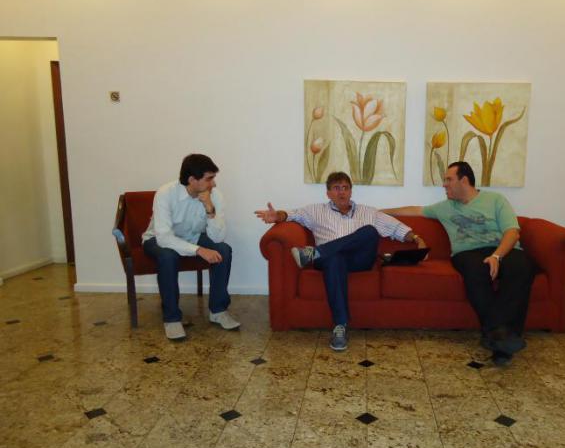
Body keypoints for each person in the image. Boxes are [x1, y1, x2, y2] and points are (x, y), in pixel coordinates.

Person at [381, 161, 535, 366]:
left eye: (448, 180)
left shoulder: (496, 200)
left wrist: (496, 256)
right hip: (467, 253)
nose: (444, 184)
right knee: (475, 271)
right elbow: (415, 210)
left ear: (464, 180)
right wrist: (379, 211)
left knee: (522, 267)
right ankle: (504, 337)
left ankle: (498, 336)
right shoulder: (445, 207)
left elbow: (512, 232)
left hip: (502, 249)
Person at [255, 171, 425, 351]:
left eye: (345, 188)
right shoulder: (315, 211)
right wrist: (277, 216)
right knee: (335, 258)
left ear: (351, 191)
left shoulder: (369, 212)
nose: (342, 192)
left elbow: (397, 228)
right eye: (336, 188)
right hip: (330, 262)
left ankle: (315, 253)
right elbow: (292, 215)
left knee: (369, 231)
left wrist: (417, 238)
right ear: (328, 193)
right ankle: (340, 326)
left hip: (359, 261)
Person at [142, 153, 240, 341]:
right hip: (157, 239)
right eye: (209, 179)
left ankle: (218, 310)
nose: (213, 184)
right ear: (192, 180)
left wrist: (210, 208)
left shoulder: (214, 195)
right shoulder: (165, 193)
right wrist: (199, 250)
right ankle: (172, 318)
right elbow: (164, 237)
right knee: (168, 256)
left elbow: (218, 237)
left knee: (224, 250)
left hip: (193, 237)